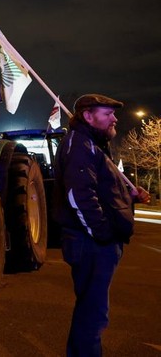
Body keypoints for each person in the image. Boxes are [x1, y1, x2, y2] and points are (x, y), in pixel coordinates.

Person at [53, 94, 150, 356]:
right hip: (91, 243)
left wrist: (128, 196)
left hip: (95, 242)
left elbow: (101, 190)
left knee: (93, 311)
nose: (114, 118)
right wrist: (103, 234)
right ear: (88, 115)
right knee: (93, 314)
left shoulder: (92, 144)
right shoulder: (80, 145)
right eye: (107, 114)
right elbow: (80, 196)